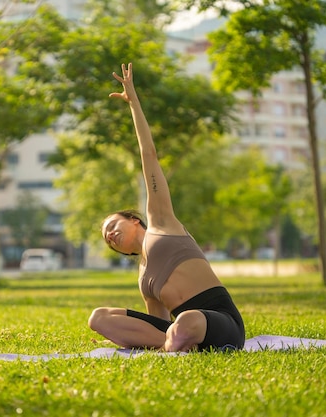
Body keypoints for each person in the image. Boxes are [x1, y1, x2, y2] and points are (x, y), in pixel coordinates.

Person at [88, 63, 245, 352]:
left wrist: (133, 103)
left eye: (112, 226)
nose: (109, 234)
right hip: (178, 329)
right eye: (106, 238)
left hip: (220, 322)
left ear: (133, 220)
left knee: (185, 321)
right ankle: (176, 346)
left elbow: (148, 154)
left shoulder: (161, 222)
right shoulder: (144, 279)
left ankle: (181, 343)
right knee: (98, 318)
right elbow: (156, 324)